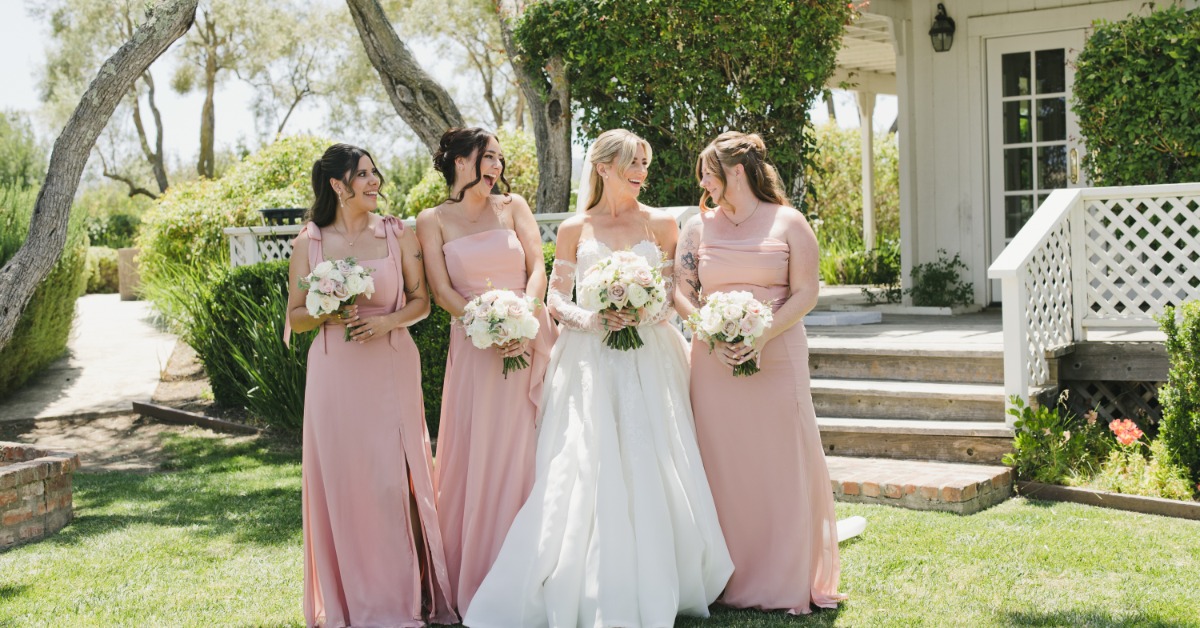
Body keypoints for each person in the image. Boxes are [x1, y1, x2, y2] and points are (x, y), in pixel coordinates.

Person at [464, 129, 733, 628]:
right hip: (587, 360)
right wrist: (595, 319)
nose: (642, 172)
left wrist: (642, 313)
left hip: (651, 357)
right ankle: (581, 575)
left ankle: (665, 572)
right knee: (584, 458)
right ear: (604, 167)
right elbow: (556, 299)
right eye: (634, 161)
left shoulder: (662, 223)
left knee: (656, 456)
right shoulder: (574, 228)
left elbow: (670, 293)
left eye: (645, 163)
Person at [675, 131, 846, 615]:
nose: (703, 183)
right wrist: (710, 334)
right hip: (713, 362)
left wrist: (762, 333)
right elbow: (681, 292)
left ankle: (783, 577)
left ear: (736, 172)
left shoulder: (789, 222)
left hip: (778, 353)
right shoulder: (696, 227)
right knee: (723, 464)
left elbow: (806, 292)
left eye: (709, 173)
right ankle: (727, 576)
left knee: (781, 462)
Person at [286, 143, 456, 627]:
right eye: (362, 174)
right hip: (335, 374)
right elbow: (295, 318)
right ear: (337, 185)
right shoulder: (309, 243)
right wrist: (327, 308)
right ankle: (352, 600)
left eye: (374, 171)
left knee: (393, 480)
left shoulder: (397, 233)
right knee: (346, 483)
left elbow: (422, 302)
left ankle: (406, 595)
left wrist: (387, 322)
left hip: (390, 364)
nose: (374, 180)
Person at [415, 127, 558, 615]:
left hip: (528, 336)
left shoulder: (513, 207)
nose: (496, 166)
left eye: (499, 158)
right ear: (460, 161)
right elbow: (441, 292)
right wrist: (487, 325)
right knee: (480, 448)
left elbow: (538, 267)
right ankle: (478, 571)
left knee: (528, 445)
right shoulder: (432, 220)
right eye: (487, 157)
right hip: (475, 345)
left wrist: (524, 319)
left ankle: (538, 570)